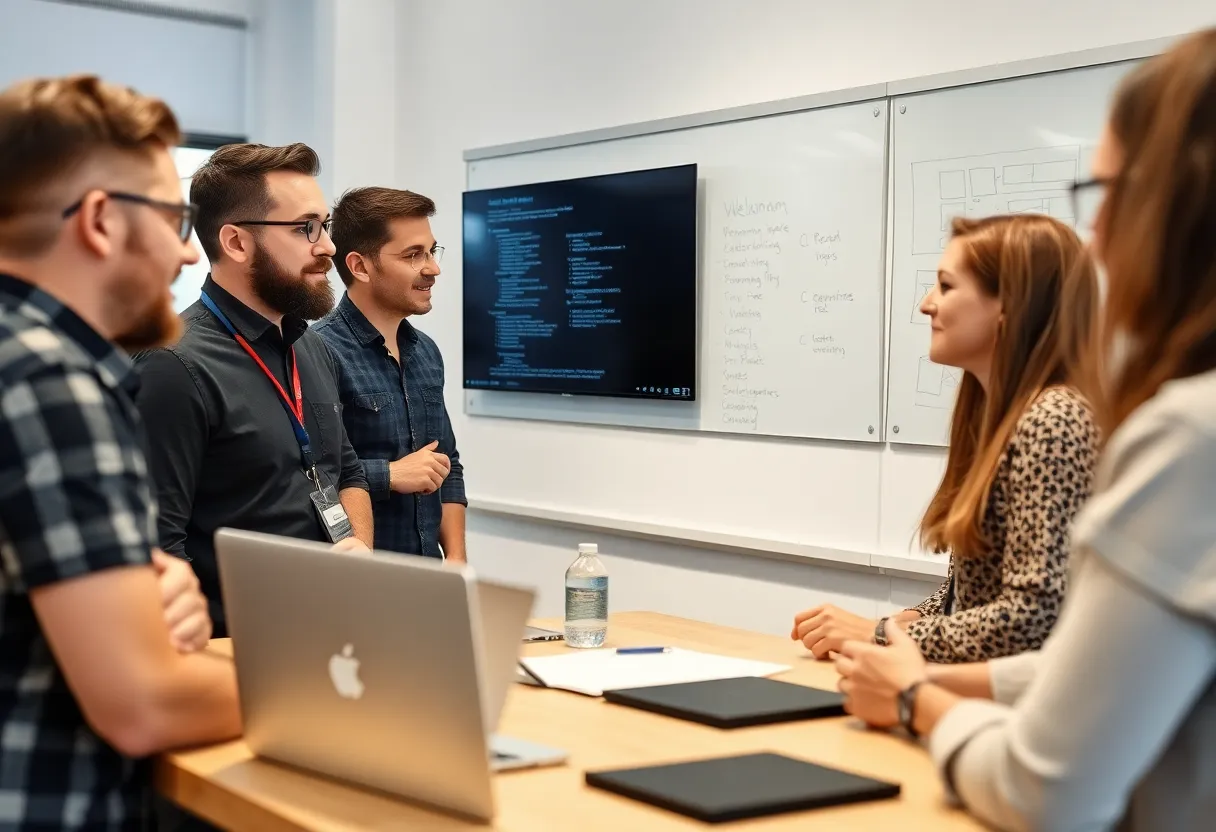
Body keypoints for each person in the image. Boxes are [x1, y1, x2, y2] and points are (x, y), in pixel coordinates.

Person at [836, 27, 1216, 830]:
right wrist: (911, 654)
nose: (1101, 234)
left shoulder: (1169, 434)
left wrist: (914, 692)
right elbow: (1094, 667)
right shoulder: (999, 414)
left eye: (1110, 194)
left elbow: (1049, 777)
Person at [0, 74, 241, 830]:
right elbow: (144, 703)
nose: (184, 256)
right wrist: (351, 692)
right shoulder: (51, 378)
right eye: (174, 220)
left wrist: (141, 595)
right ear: (101, 220)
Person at [792, 212, 1100, 663]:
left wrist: (875, 635)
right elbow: (967, 595)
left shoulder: (1053, 422)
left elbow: (1032, 619)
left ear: (1009, 306)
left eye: (946, 286)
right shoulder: (996, 416)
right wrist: (899, 624)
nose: (926, 304)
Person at [133, 142, 373, 639]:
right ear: (237, 243)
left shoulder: (310, 346)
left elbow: (344, 471)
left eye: (324, 225)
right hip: (235, 651)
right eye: (306, 228)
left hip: (332, 635)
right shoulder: (173, 366)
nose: (326, 246)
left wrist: (357, 574)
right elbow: (157, 544)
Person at [315, 187, 467, 561]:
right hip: (359, 582)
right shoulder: (316, 352)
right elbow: (312, 477)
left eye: (432, 251)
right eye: (414, 255)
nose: (433, 268)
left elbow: (448, 465)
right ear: (360, 266)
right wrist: (391, 475)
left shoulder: (426, 351)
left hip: (429, 575)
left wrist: (458, 564)